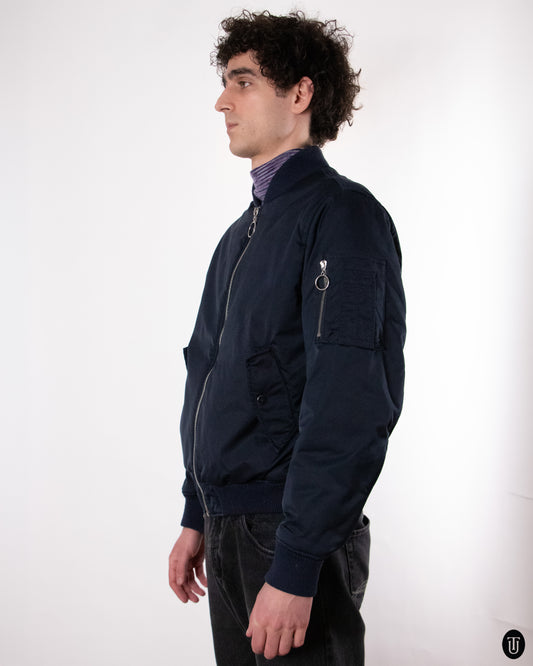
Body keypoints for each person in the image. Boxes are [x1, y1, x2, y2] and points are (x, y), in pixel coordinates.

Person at [168, 10, 406, 665]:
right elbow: (207, 372)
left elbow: (351, 397)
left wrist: (298, 561)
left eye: (242, 81)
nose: (222, 101)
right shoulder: (239, 237)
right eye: (224, 83)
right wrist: (197, 512)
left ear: (299, 94)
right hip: (231, 527)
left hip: (288, 531)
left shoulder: (343, 217)